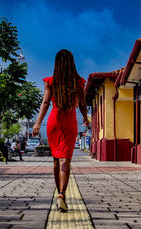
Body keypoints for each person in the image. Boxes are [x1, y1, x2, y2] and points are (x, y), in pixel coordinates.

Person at [33, 49, 89, 212]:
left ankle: (60, 193)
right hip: (70, 120)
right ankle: (62, 195)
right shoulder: (78, 81)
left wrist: (37, 123)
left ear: (56, 64)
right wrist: (85, 117)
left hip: (54, 120)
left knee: (56, 159)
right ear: (72, 63)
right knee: (66, 159)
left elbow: (45, 103)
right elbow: (83, 103)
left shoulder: (50, 81)